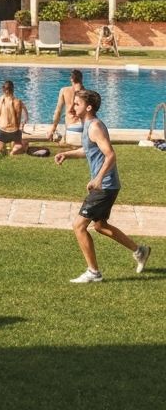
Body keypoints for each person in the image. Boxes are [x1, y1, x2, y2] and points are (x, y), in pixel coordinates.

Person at [55, 88, 151, 283]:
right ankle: (139, 250)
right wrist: (68, 154)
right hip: (108, 185)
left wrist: (98, 179)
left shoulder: (94, 126)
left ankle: (93, 272)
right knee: (99, 225)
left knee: (79, 226)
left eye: (77, 104)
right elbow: (89, 149)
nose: (72, 106)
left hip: (104, 186)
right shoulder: (89, 125)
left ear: (88, 107)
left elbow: (111, 155)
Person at [0, 79, 30, 157]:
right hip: (14, 131)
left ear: (3, 89)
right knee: (24, 144)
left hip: (1, 131)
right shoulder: (18, 102)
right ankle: (14, 150)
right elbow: (18, 121)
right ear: (13, 89)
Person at [47, 69, 84, 143]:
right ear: (81, 79)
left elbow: (58, 111)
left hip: (70, 128)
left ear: (71, 79)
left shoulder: (64, 91)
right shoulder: (86, 93)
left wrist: (53, 129)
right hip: (83, 129)